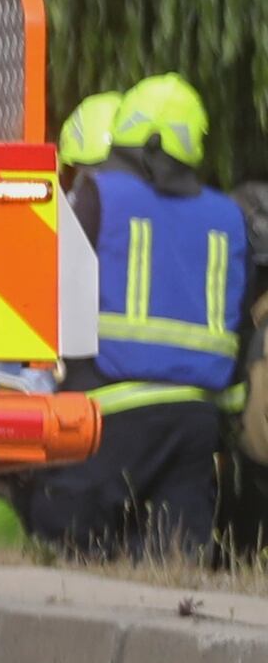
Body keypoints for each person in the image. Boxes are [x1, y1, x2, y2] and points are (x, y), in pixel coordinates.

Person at [35, 70, 244, 559]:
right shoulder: (229, 218)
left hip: (111, 408)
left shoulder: (101, 196)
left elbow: (53, 287)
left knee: (61, 524)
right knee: (175, 550)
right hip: (197, 417)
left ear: (146, 147)